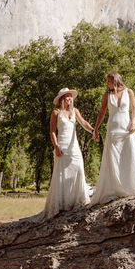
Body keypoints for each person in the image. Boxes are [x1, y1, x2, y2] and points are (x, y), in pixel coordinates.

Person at [90, 71, 135, 204]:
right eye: (107, 82)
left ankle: (132, 188)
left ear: (115, 80)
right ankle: (116, 189)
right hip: (113, 130)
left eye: (109, 81)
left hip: (127, 130)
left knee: (129, 156)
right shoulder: (107, 95)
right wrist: (96, 128)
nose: (107, 84)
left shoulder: (129, 92)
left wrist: (133, 122)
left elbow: (134, 108)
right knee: (114, 160)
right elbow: (102, 112)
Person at [43, 87, 94, 218]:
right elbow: (52, 131)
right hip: (62, 146)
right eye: (67, 96)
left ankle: (78, 202)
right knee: (62, 175)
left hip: (74, 148)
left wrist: (94, 131)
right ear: (62, 99)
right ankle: (62, 205)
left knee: (78, 170)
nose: (70, 99)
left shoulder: (75, 111)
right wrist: (56, 146)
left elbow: (84, 123)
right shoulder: (56, 112)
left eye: (71, 96)